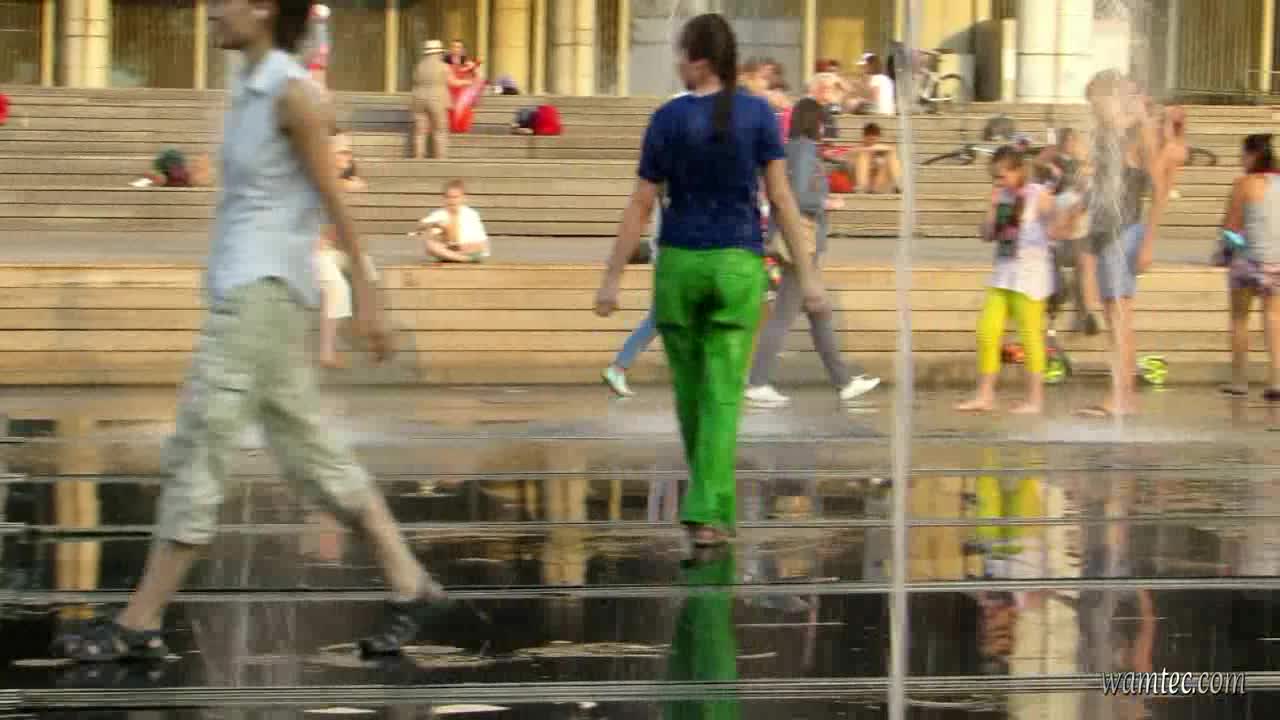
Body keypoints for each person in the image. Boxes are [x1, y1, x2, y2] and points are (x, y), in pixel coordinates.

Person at [53, 0, 447, 663]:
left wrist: (370, 293)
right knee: (308, 452)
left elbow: (335, 199)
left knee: (198, 444)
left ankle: (139, 622)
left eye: (228, 1)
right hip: (253, 293)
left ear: (263, 9)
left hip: (259, 297)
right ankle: (409, 582)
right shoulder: (252, 86)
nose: (213, 9)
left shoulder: (292, 94)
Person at [593, 13, 828, 548]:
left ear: (698, 60)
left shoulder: (667, 119)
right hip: (736, 265)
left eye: (681, 53)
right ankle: (708, 512)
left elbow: (641, 203)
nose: (677, 63)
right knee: (723, 393)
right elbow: (782, 199)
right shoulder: (758, 114)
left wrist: (611, 278)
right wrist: (810, 277)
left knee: (691, 394)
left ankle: (708, 506)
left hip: (679, 265)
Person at [745, 99, 881, 408]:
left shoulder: (792, 149)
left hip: (796, 243)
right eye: (822, 120)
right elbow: (798, 197)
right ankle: (757, 382)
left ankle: (844, 381)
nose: (825, 126)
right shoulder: (805, 150)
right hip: (800, 246)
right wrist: (827, 203)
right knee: (783, 317)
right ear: (814, 122)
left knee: (819, 312)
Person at [1074, 71, 1167, 418]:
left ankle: (1120, 398)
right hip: (1106, 231)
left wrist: (1149, 243)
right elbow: (1101, 187)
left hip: (1124, 232)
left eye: (1096, 102)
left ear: (1111, 98)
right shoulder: (1108, 135)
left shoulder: (1138, 132)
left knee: (1118, 318)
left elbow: (1159, 190)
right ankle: (1125, 398)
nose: (1093, 110)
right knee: (1117, 316)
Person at [955, 146, 1056, 415]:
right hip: (1003, 275)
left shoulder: (1037, 194)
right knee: (987, 332)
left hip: (1030, 278)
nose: (998, 182)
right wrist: (991, 207)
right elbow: (986, 235)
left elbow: (1056, 224)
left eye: (1002, 176)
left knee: (1030, 336)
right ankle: (985, 396)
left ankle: (1035, 400)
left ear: (1018, 170)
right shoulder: (1002, 197)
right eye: (994, 177)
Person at [1219, 134, 1280, 401]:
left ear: (1253, 156)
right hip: (1275, 262)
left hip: (1246, 261)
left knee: (1239, 319)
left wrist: (1229, 250)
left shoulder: (1243, 184)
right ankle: (1276, 380)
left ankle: (1239, 380)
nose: (1240, 159)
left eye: (1243, 154)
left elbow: (1231, 228)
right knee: (1274, 318)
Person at [413, 179, 490, 263]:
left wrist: (463, 246)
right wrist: (434, 225)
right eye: (448, 197)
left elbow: (481, 241)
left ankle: (454, 257)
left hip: (467, 248)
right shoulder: (440, 214)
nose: (452, 201)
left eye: (455, 197)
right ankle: (463, 259)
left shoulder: (471, 214)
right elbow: (421, 225)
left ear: (463, 198)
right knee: (430, 244)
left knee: (479, 246)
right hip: (448, 249)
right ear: (444, 199)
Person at [411, 39, 449, 159]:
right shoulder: (443, 66)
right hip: (437, 99)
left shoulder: (419, 66)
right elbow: (450, 81)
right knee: (439, 131)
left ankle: (418, 157)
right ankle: (440, 158)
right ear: (438, 53)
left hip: (418, 99)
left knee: (419, 132)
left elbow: (415, 80)